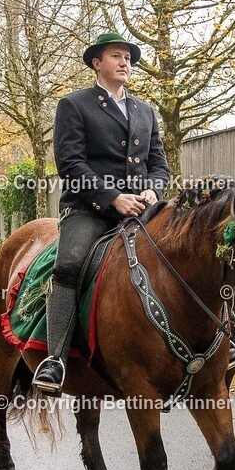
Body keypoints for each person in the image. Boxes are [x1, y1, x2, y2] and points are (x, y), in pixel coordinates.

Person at [31, 32, 174, 395]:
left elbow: (159, 163)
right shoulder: (74, 105)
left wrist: (152, 189)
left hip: (143, 207)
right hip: (88, 208)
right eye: (116, 56)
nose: (125, 62)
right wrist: (113, 198)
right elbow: (70, 164)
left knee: (182, 253)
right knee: (69, 264)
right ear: (97, 62)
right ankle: (56, 359)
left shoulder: (145, 111)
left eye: (128, 57)